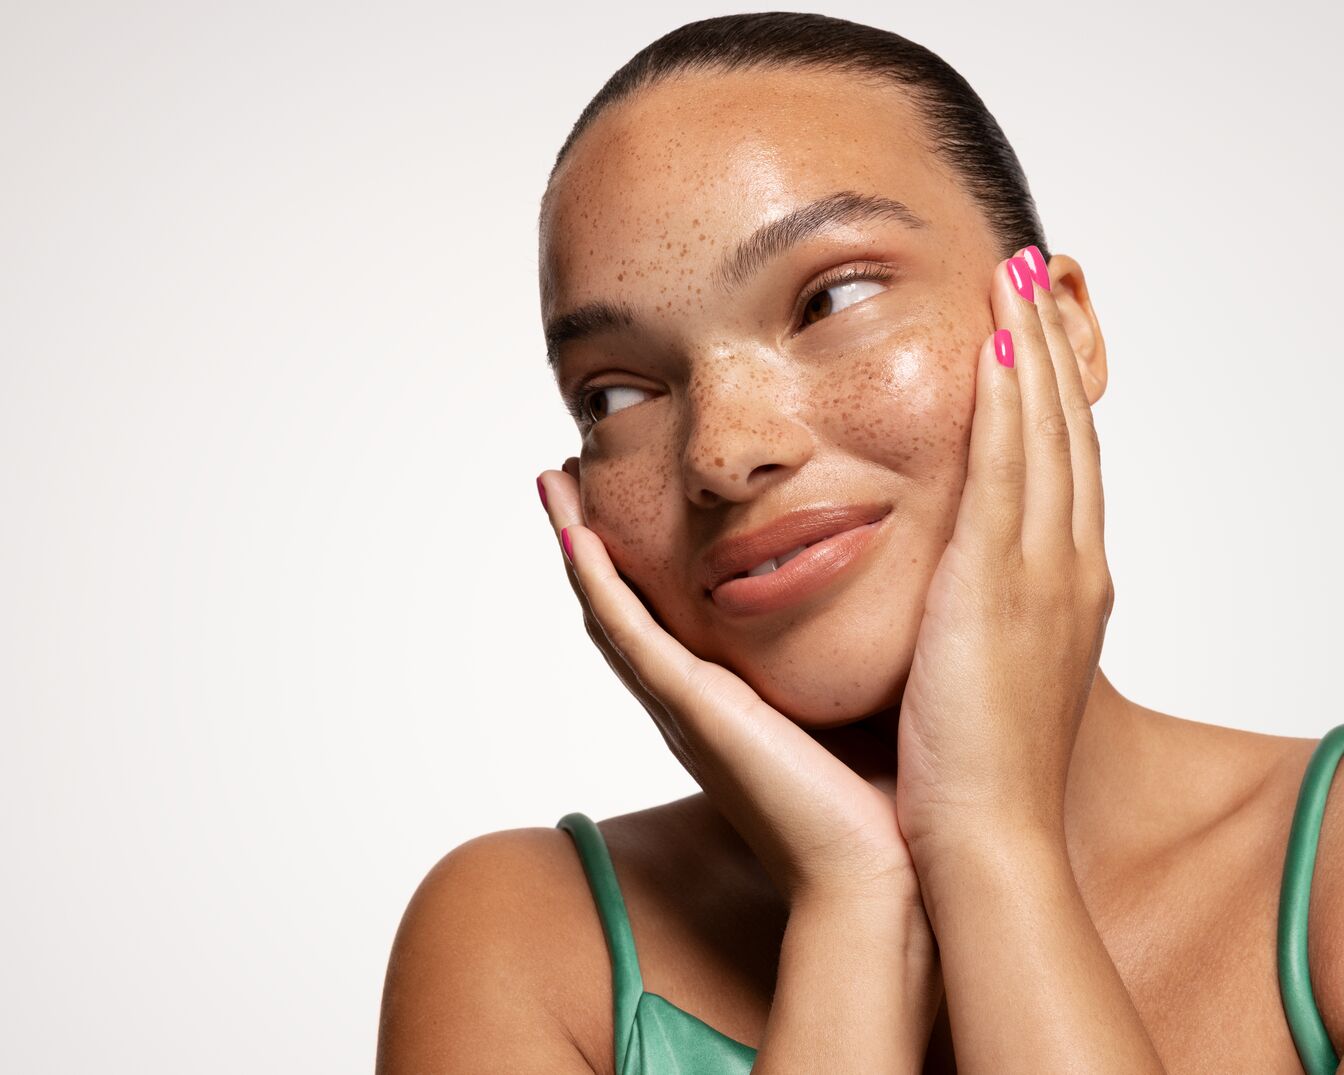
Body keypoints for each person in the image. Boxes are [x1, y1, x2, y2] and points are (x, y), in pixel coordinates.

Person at [375, 12, 1344, 1073]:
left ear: (1062, 330)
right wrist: (854, 908)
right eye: (615, 393)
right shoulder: (520, 944)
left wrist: (989, 837)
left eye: (829, 299)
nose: (723, 451)